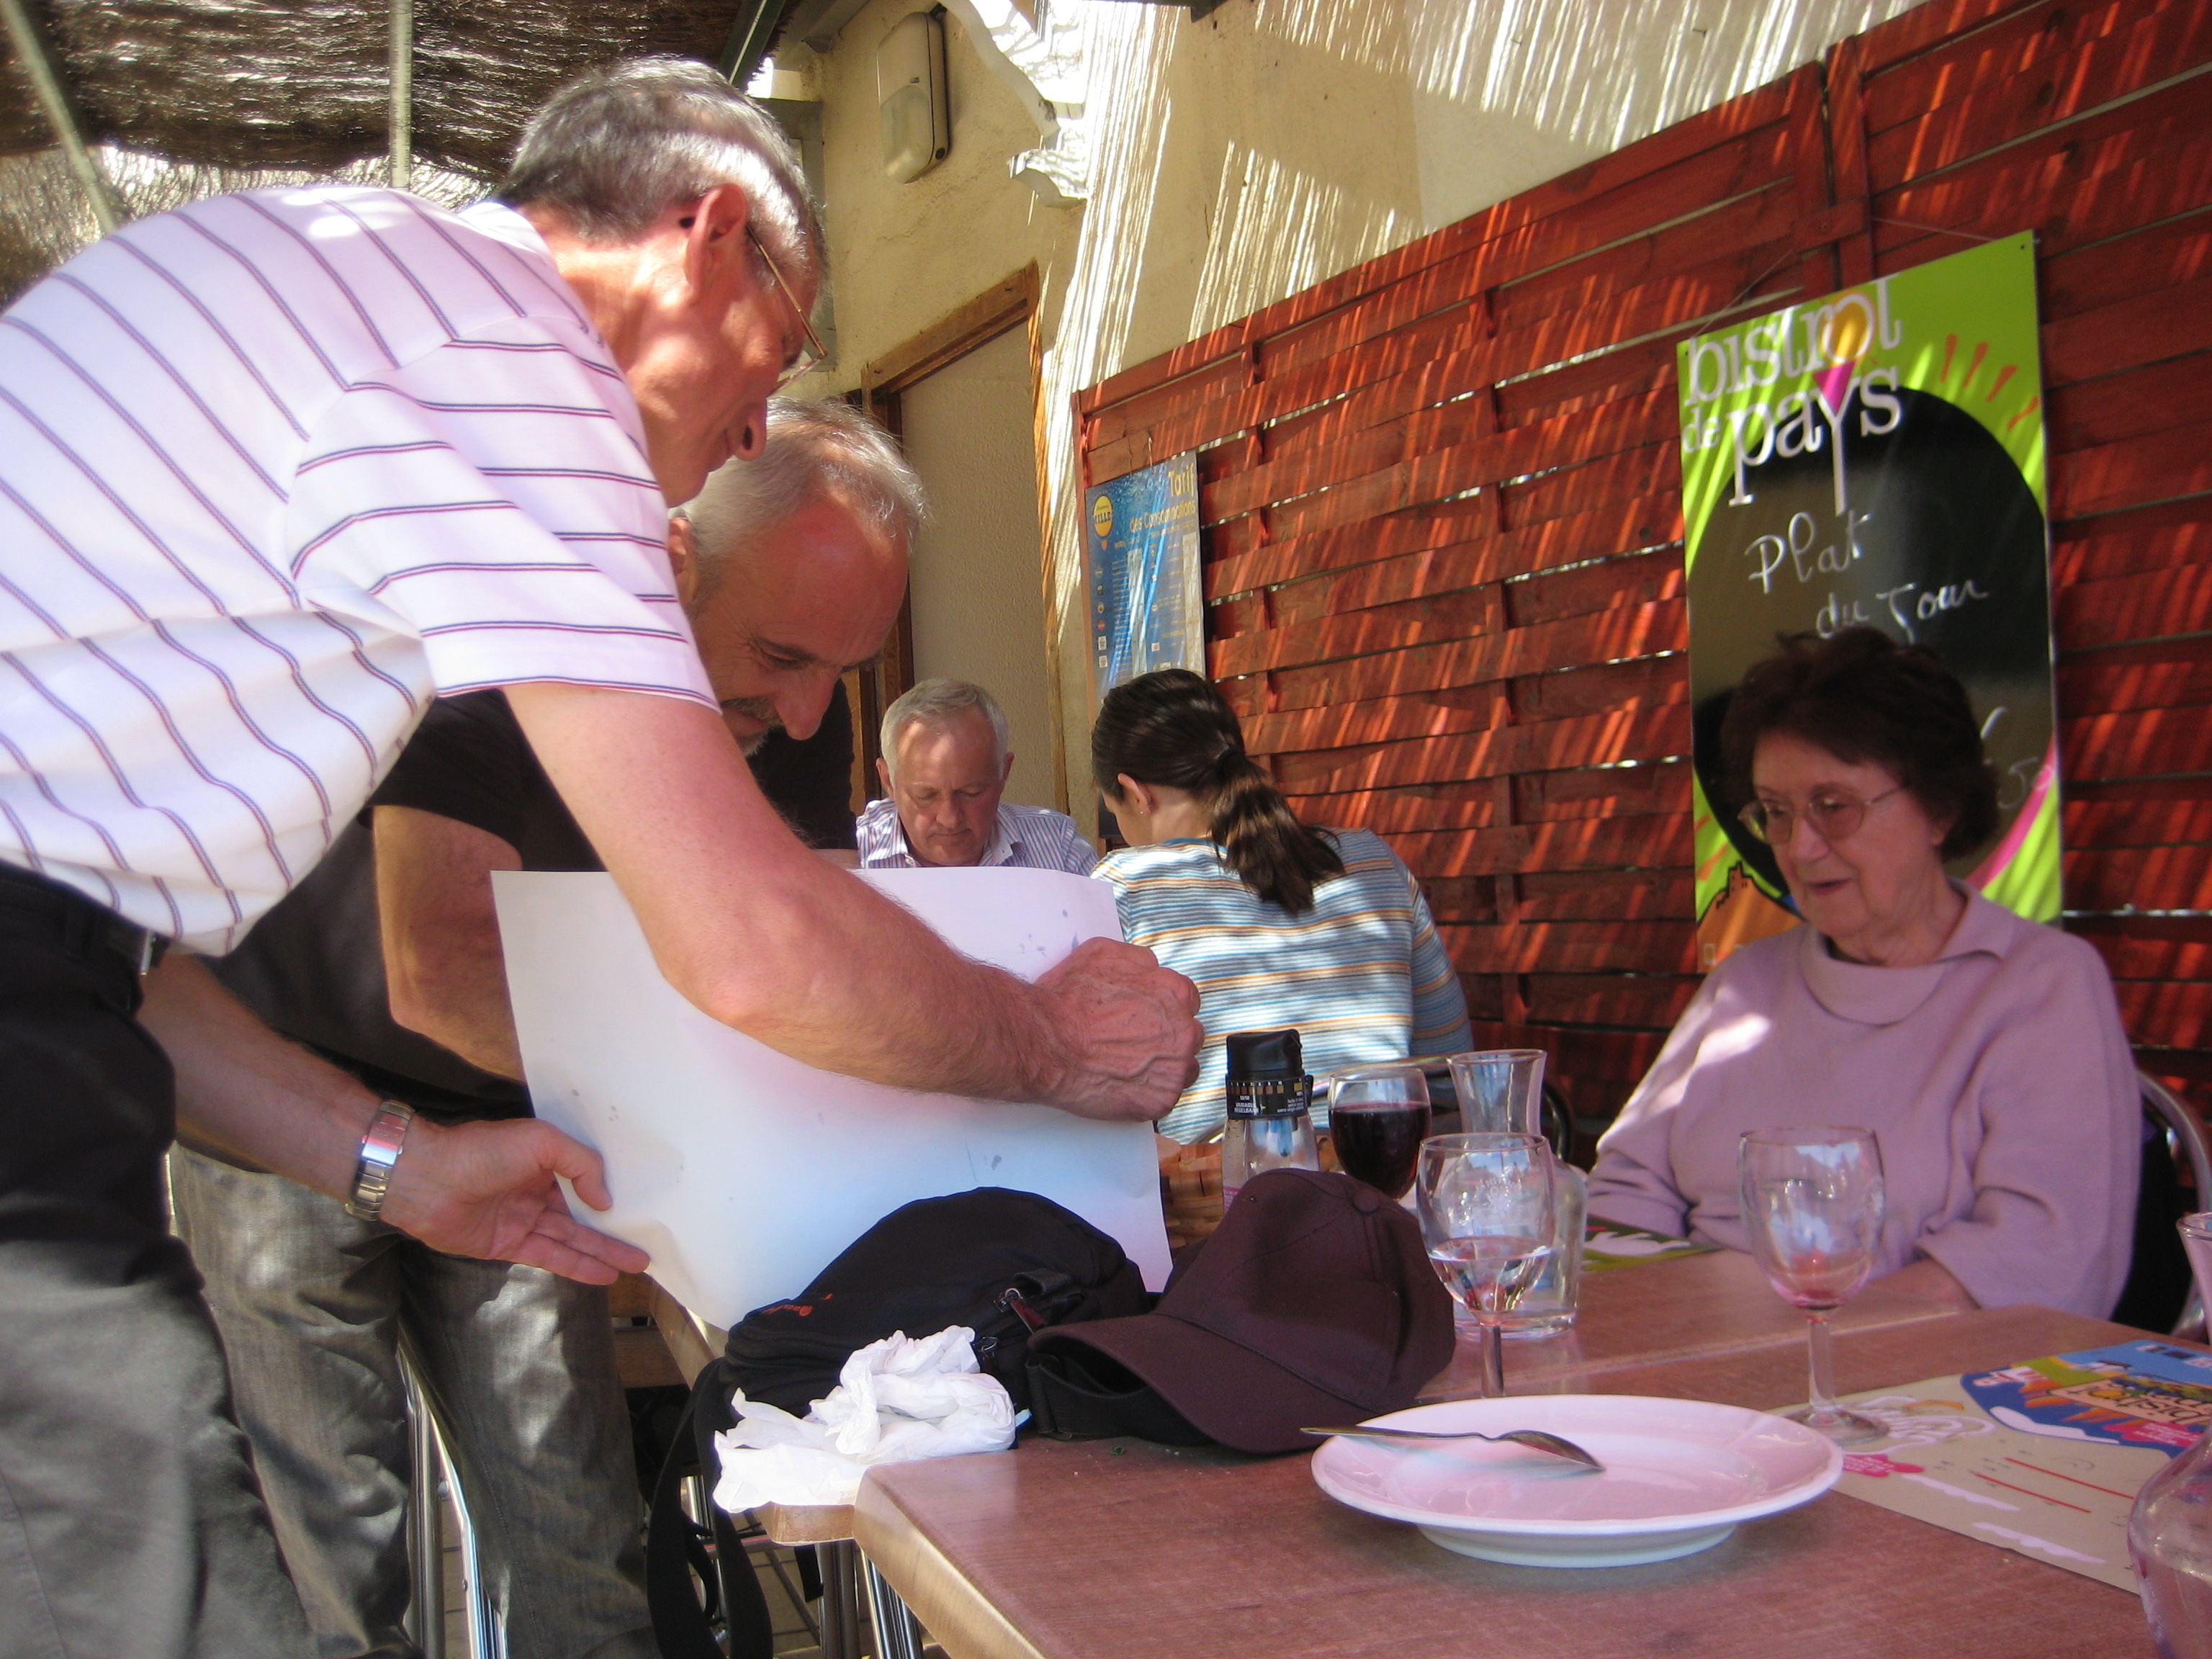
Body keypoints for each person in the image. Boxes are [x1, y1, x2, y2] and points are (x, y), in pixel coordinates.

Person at [0, 58, 1197, 1659]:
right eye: (772, 363)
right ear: (705, 238)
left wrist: (396, 1160)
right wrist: (1048, 1043)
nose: (751, 427)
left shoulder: (348, 292)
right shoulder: (515, 362)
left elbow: (118, 973)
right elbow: (753, 944)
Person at [166, 398, 912, 1659]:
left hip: (529, 1110)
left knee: (575, 1540)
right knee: (323, 1560)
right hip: (284, 1091)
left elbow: (811, 956)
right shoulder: (498, 607)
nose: (804, 715)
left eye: (841, 669)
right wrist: (691, 1113)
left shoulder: (795, 689)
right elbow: (446, 968)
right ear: (670, 560)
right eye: (782, 655)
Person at [1587, 627, 2138, 1318]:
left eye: (1834, 806)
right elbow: (1626, 1193)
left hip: (1915, 1372)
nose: (1800, 847)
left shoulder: (2039, 986)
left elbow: (2041, 1259)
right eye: (1777, 813)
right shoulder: (1744, 984)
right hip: (1701, 1349)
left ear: (1939, 808)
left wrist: (1800, 1347)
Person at [1090, 669, 1473, 1143]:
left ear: (1136, 794)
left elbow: (1091, 1097)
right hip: (1381, 1160)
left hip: (1226, 1181)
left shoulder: (1123, 886)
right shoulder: (1371, 859)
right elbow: (1447, 1073)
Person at [858, 677, 1097, 873]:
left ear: (1004, 772)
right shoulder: (855, 857)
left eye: (971, 793)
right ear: (888, 780)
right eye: (926, 795)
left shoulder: (1060, 849)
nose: (950, 819)